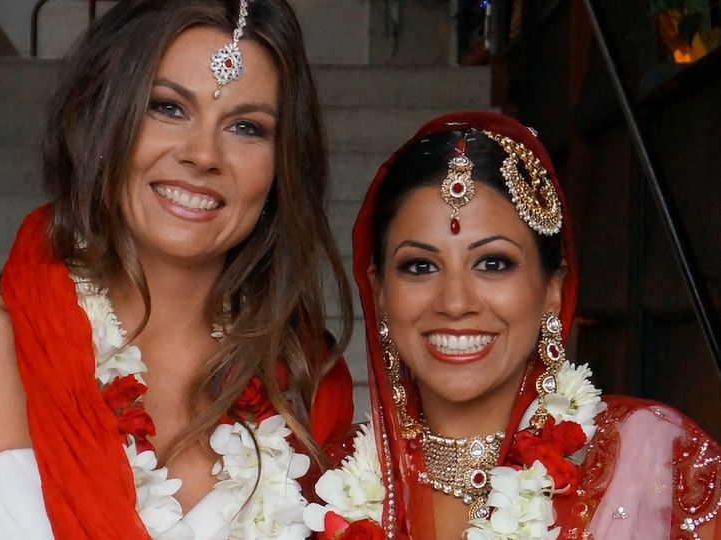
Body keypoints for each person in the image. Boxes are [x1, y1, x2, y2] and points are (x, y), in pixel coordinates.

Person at [0, 1, 354, 538]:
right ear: (103, 121)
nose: (203, 154)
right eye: (168, 108)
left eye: (247, 127)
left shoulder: (306, 383)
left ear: (281, 169)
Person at [304, 111, 721, 539]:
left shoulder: (656, 459)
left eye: (492, 263)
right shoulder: (319, 487)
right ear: (379, 293)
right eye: (420, 265)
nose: (455, 302)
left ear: (553, 289)